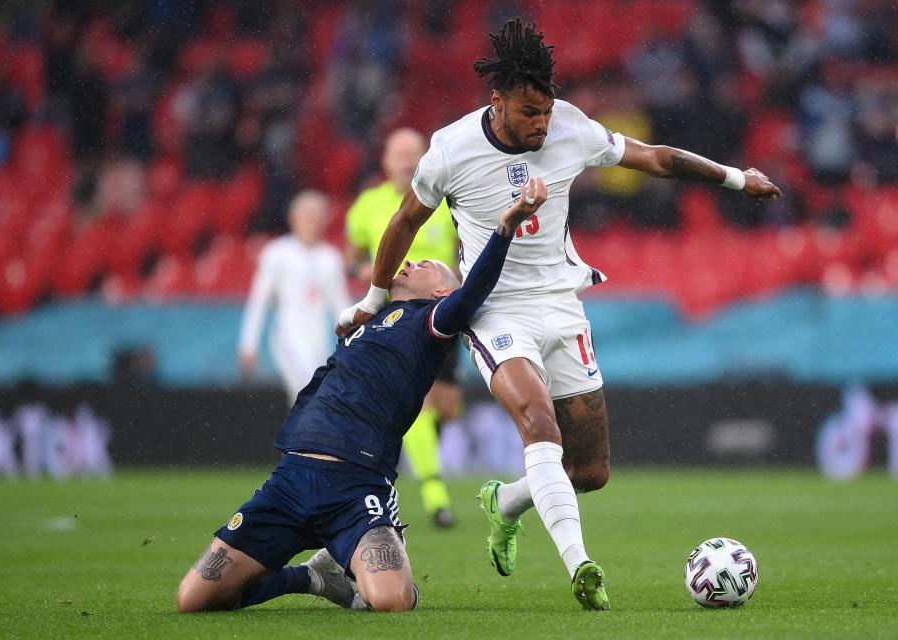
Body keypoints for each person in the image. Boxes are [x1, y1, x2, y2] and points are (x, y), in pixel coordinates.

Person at [336, 18, 783, 611]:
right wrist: (372, 300)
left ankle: (507, 503)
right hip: (494, 310)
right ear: (496, 102)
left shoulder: (570, 126)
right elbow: (403, 224)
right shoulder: (450, 148)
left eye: (545, 112)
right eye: (528, 113)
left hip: (562, 305)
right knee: (539, 426)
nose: (541, 124)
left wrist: (735, 178)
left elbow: (653, 159)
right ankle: (582, 567)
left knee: (590, 471)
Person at [176, 179, 549, 614]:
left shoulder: (429, 323)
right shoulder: (368, 318)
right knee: (194, 600)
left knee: (392, 601)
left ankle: (354, 552)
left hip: (357, 487)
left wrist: (505, 228)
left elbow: (473, 292)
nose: (410, 262)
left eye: (425, 263)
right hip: (292, 478)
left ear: (441, 293)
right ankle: (313, 577)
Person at [346, 127, 461, 528]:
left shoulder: (444, 203)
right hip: (395, 316)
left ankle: (419, 460)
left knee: (445, 407)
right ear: (386, 160)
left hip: (442, 314)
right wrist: (370, 273)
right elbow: (353, 258)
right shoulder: (367, 205)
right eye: (400, 154)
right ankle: (436, 498)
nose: (407, 161)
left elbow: (465, 256)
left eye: (414, 153)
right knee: (423, 403)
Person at [239, 190, 350, 403]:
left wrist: (353, 342)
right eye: (307, 216)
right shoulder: (277, 253)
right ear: (293, 218)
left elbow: (340, 305)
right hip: (288, 333)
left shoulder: (331, 258)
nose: (312, 223)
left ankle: (299, 436)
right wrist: (248, 343)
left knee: (311, 395)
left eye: (317, 217)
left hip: (318, 336)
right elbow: (259, 301)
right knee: (307, 389)